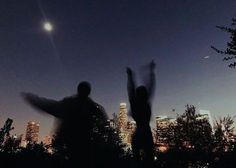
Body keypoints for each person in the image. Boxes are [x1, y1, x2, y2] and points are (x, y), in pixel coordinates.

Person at [21, 81, 108, 168]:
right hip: (81, 147)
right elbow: (104, 121)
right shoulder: (92, 107)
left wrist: (32, 99)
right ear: (88, 92)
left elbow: (48, 105)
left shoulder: (72, 104)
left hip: (70, 146)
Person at [126, 61, 156, 167]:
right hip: (146, 133)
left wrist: (130, 76)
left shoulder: (134, 103)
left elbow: (130, 90)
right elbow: (151, 86)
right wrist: (152, 72)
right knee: (149, 160)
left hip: (138, 134)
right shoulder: (145, 102)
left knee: (137, 161)